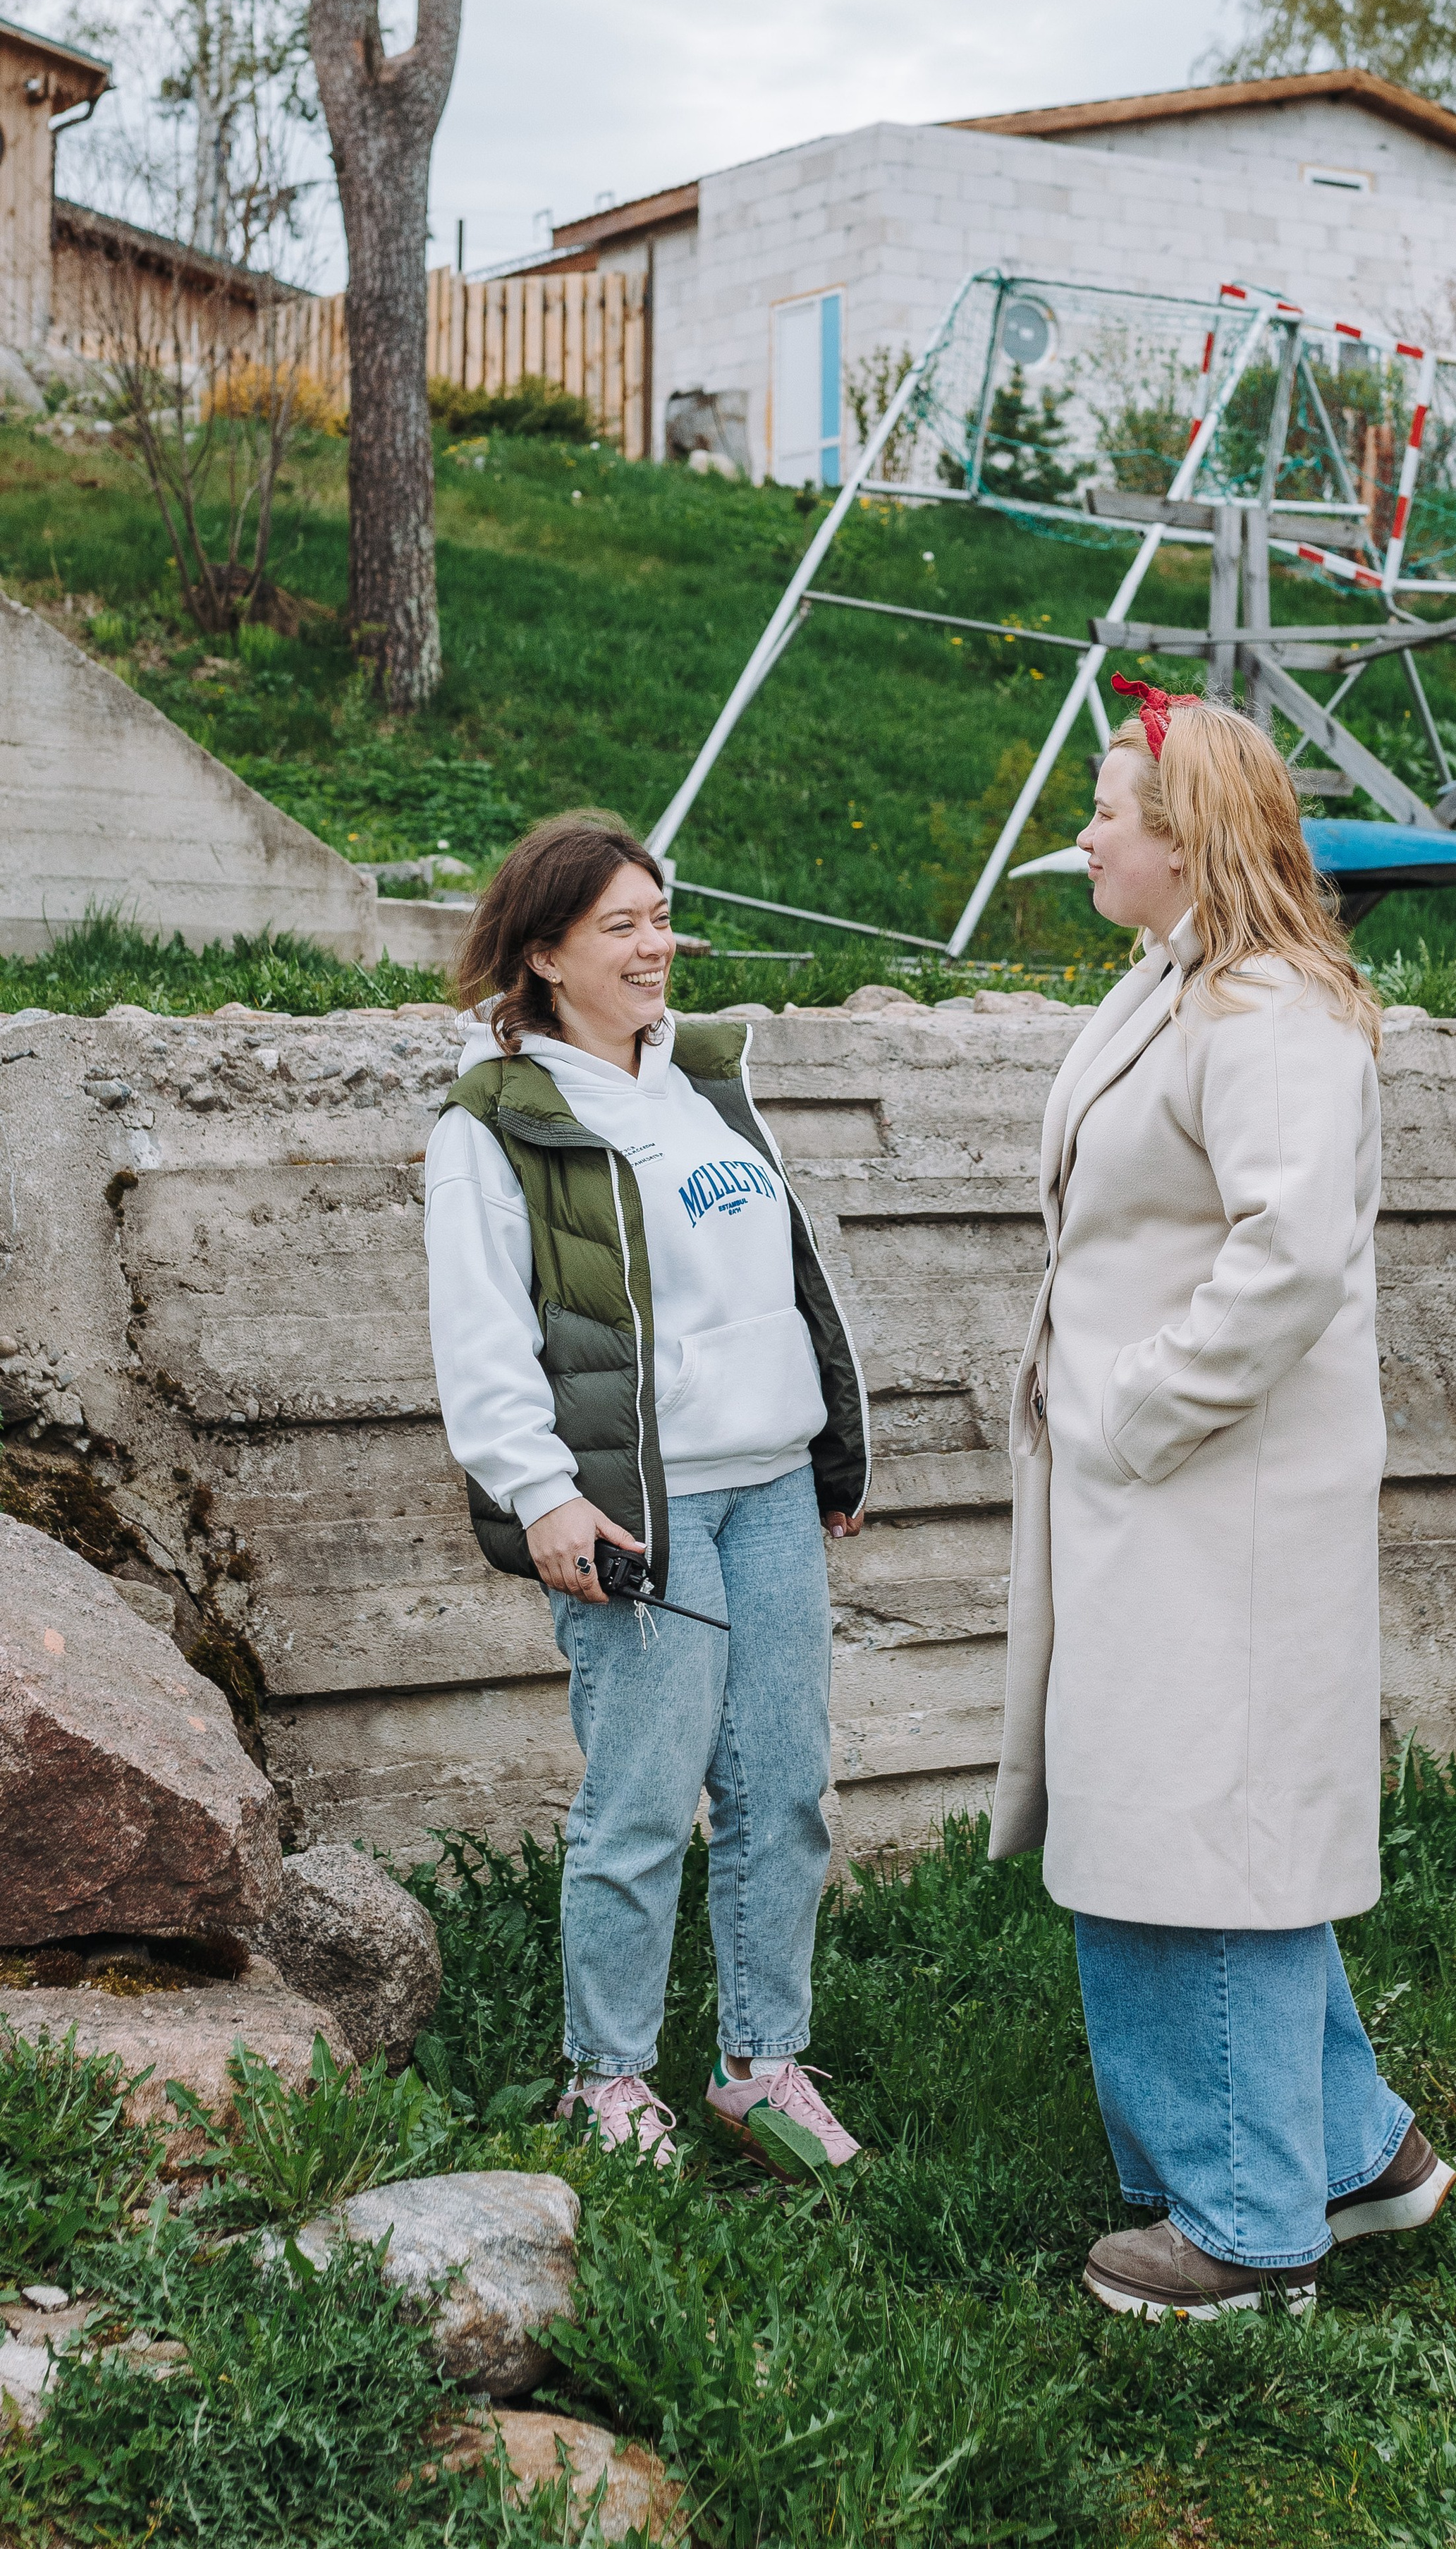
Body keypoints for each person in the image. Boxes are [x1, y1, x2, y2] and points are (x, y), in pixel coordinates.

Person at [989, 683, 1454, 2321]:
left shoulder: (1263, 1011)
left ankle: (1250, 2228)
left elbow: (1288, 1258)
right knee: (1199, 1812)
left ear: (1186, 843)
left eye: (1110, 810)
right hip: (1160, 1499)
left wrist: (1127, 1414)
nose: (1087, 831)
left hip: (1210, 1494)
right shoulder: (1177, 983)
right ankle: (1356, 2151)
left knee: (1197, 1838)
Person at [422, 811, 870, 2172]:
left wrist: (832, 1447)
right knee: (642, 1796)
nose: (655, 944)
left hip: (773, 1485)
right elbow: (480, 1329)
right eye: (620, 925)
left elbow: (788, 1282)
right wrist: (540, 1493)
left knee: (783, 1790)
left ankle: (760, 2062)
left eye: (661, 915)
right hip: (637, 1507)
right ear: (547, 953)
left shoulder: (707, 1084)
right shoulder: (497, 1123)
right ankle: (606, 2078)